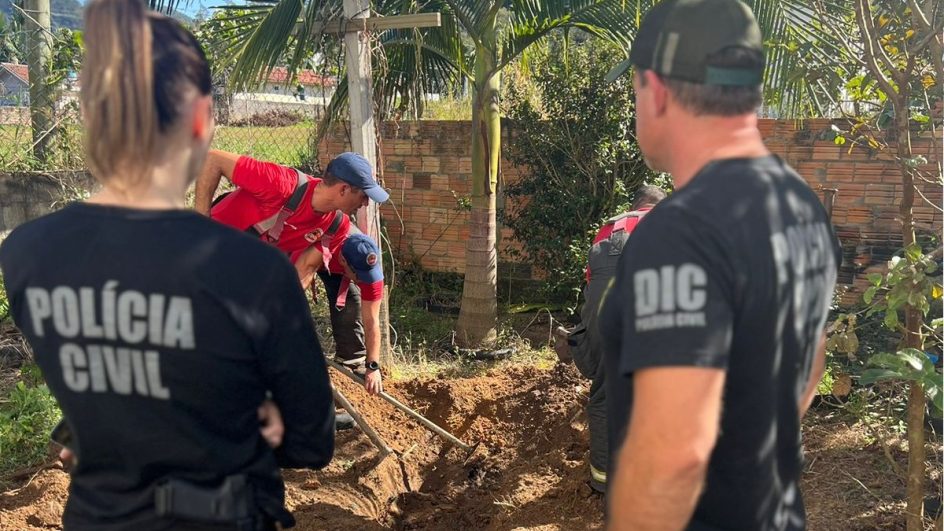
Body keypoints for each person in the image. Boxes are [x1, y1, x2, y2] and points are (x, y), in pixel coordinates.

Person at [0, 1, 335, 529]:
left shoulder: (25, 251)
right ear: (202, 120)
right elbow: (311, 443)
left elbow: (102, 376)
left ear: (89, 117)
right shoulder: (256, 272)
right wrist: (254, 418)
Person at [600, 1, 841, 530]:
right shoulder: (800, 205)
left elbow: (673, 457)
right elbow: (810, 358)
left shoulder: (681, 232)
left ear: (657, 90)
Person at [194, 150, 387, 395]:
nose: (365, 203)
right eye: (363, 196)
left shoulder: (335, 225)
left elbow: (303, 271)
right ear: (343, 189)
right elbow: (212, 158)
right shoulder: (281, 183)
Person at [555, 185, 666, 494]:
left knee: (606, 392)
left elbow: (592, 287)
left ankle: (605, 482)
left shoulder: (609, 227)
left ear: (636, 204)